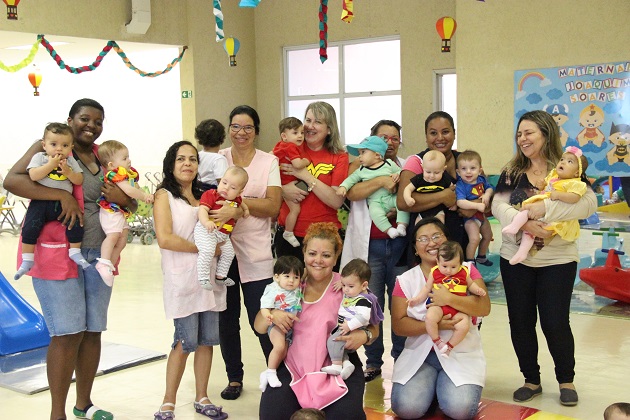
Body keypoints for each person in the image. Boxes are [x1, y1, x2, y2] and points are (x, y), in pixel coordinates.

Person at [5, 98, 132, 420]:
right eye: (84, 119)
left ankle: (84, 404)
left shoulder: (104, 155)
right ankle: (56, 413)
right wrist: (60, 195)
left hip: (96, 254)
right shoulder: (52, 146)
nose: (91, 126)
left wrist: (122, 198)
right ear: (71, 119)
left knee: (92, 330)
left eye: (98, 121)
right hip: (55, 254)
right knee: (66, 332)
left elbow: (126, 199)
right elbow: (13, 180)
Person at [491, 110, 597, 407]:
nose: (522, 139)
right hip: (516, 259)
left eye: (529, 133)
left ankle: (566, 380)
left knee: (555, 321)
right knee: (520, 322)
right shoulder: (512, 171)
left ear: (546, 134)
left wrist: (542, 212)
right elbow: (498, 207)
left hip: (559, 260)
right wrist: (525, 223)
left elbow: (587, 205)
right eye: (519, 134)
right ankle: (531, 379)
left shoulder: (567, 168)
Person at [257, 222, 377, 420]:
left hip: (337, 366)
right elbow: (259, 327)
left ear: (336, 257)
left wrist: (364, 335)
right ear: (304, 252)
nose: (318, 261)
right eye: (312, 253)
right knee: (272, 415)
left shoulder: (349, 287)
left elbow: (375, 330)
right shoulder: (288, 284)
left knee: (347, 417)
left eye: (326, 255)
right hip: (292, 366)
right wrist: (271, 314)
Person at [152, 141, 228, 420]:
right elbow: (165, 238)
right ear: (171, 164)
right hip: (182, 279)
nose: (187, 164)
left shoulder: (206, 194)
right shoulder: (164, 196)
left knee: (207, 340)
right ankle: (168, 402)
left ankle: (202, 396)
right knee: (184, 342)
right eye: (181, 159)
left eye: (192, 159)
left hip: (209, 279)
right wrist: (204, 248)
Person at [390, 217, 490, 420]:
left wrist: (449, 298)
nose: (431, 243)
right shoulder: (406, 279)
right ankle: (432, 389)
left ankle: (440, 390)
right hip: (421, 356)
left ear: (447, 241)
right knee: (406, 408)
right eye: (423, 239)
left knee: (460, 410)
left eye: (436, 236)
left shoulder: (468, 270)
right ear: (416, 249)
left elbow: (484, 307)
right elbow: (399, 325)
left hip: (460, 353)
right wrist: (434, 326)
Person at [217, 105, 282, 400]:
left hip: (256, 253)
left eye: (247, 128)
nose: (241, 133)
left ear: (256, 131)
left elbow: (272, 206)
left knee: (262, 318)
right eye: (235, 127)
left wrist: (241, 205)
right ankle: (234, 378)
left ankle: (276, 373)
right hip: (222, 253)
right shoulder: (219, 159)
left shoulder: (269, 161)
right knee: (227, 320)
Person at [341, 119, 407, 382]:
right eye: (384, 137)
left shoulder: (405, 166)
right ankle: (374, 360)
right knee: (369, 303)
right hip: (371, 245)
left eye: (394, 138)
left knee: (401, 304)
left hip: (401, 246)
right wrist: (381, 180)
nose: (390, 142)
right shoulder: (360, 164)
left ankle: (402, 358)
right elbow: (353, 193)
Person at [274, 101, 349, 262]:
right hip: (289, 234)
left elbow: (336, 200)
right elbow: (264, 180)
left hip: (325, 237)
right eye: (308, 120)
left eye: (318, 122)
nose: (309, 126)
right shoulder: (289, 147)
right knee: (288, 287)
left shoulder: (339, 156)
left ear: (329, 129)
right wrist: (282, 190)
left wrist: (305, 175)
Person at [15, 122, 89, 280]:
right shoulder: (40, 158)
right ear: (44, 145)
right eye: (54, 144)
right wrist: (50, 165)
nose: (59, 149)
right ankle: (27, 259)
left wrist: (69, 172)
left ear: (71, 147)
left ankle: (75, 251)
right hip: (41, 202)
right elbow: (34, 176)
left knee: (76, 223)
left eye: (65, 145)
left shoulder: (70, 161)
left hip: (63, 205)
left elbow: (79, 180)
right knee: (30, 227)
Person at [397, 111, 476, 249]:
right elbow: (403, 202)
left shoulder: (466, 159)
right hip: (428, 246)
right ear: (426, 137)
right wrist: (442, 196)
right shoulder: (417, 162)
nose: (440, 138)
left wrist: (474, 206)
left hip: (463, 241)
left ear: (454, 133)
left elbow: (485, 190)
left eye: (445, 132)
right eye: (433, 133)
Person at [502, 146, 589, 265]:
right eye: (562, 159)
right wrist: (542, 185)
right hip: (541, 213)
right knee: (529, 230)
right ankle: (522, 252)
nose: (563, 162)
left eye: (570, 161)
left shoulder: (575, 183)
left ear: (577, 172)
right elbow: (546, 189)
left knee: (526, 212)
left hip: (555, 219)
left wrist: (558, 195)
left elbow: (575, 198)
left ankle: (514, 226)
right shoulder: (553, 178)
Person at [407, 241, 486, 358]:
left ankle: (449, 346)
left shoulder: (464, 272)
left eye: (453, 267)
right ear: (438, 262)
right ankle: (438, 341)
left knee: (464, 325)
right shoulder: (435, 272)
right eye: (444, 266)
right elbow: (426, 288)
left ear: (460, 264)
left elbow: (471, 285)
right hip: (438, 306)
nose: (448, 270)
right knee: (430, 318)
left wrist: (478, 290)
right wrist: (417, 299)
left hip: (458, 308)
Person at [95, 140, 154, 286]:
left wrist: (140, 190)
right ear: (111, 165)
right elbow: (129, 190)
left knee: (122, 240)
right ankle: (103, 262)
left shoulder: (127, 174)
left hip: (120, 212)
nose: (129, 160)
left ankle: (111, 265)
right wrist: (144, 196)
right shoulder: (115, 174)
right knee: (113, 236)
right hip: (111, 211)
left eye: (128, 157)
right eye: (124, 158)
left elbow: (134, 186)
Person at [321, 258, 383, 378]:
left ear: (364, 285)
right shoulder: (353, 292)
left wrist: (349, 326)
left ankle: (337, 366)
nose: (345, 289)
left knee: (333, 342)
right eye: (343, 285)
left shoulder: (363, 300)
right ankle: (347, 363)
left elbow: (364, 317)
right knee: (339, 349)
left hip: (349, 328)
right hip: (346, 327)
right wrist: (343, 282)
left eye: (350, 286)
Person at [337, 136, 409, 238]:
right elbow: (351, 179)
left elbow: (401, 173)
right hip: (375, 202)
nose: (359, 157)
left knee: (402, 204)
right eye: (359, 153)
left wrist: (397, 175)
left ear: (377, 155)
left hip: (390, 197)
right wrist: (343, 187)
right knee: (375, 213)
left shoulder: (389, 164)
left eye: (363, 152)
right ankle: (389, 230)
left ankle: (402, 225)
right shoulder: (361, 170)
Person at [195, 166, 250, 290]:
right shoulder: (211, 194)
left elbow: (242, 203)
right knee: (208, 251)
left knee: (229, 253)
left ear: (239, 192)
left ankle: (220, 276)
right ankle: (203, 277)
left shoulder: (236, 199)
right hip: (207, 230)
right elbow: (202, 210)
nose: (226, 188)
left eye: (233, 187)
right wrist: (205, 222)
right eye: (224, 183)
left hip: (223, 235)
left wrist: (245, 210)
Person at [259, 256, 304, 390]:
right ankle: (271, 371)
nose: (291, 280)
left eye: (296, 277)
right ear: (277, 277)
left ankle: (266, 374)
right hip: (276, 325)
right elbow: (264, 306)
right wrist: (268, 315)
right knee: (278, 347)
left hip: (289, 326)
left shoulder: (298, 288)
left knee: (283, 351)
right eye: (287, 276)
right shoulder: (273, 289)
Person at [272, 117, 309, 247]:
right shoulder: (291, 147)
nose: (300, 136)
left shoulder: (279, 145)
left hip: (280, 181)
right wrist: (306, 161)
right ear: (284, 136)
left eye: (302, 133)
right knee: (295, 210)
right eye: (295, 133)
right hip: (288, 183)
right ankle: (288, 232)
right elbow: (297, 164)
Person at [454, 150, 494, 266]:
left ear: (479, 170)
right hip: (470, 219)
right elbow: (460, 202)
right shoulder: (461, 185)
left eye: (472, 168)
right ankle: (470, 261)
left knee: (488, 236)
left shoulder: (481, 180)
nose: (468, 172)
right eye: (464, 169)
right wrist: (477, 205)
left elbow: (490, 188)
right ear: (458, 171)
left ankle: (481, 256)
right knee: (474, 239)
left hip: (481, 217)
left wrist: (487, 194)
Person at [403, 149, 455, 223]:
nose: (432, 176)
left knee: (440, 224)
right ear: (422, 167)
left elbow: (453, 189)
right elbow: (408, 189)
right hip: (421, 211)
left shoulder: (445, 179)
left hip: (438, 211)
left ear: (443, 169)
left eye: (437, 173)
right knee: (418, 226)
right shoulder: (418, 179)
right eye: (428, 172)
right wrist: (407, 198)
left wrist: (454, 203)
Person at [195, 118, 229, 191]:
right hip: (211, 193)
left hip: (196, 190)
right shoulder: (219, 159)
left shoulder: (196, 155)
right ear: (222, 138)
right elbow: (222, 182)